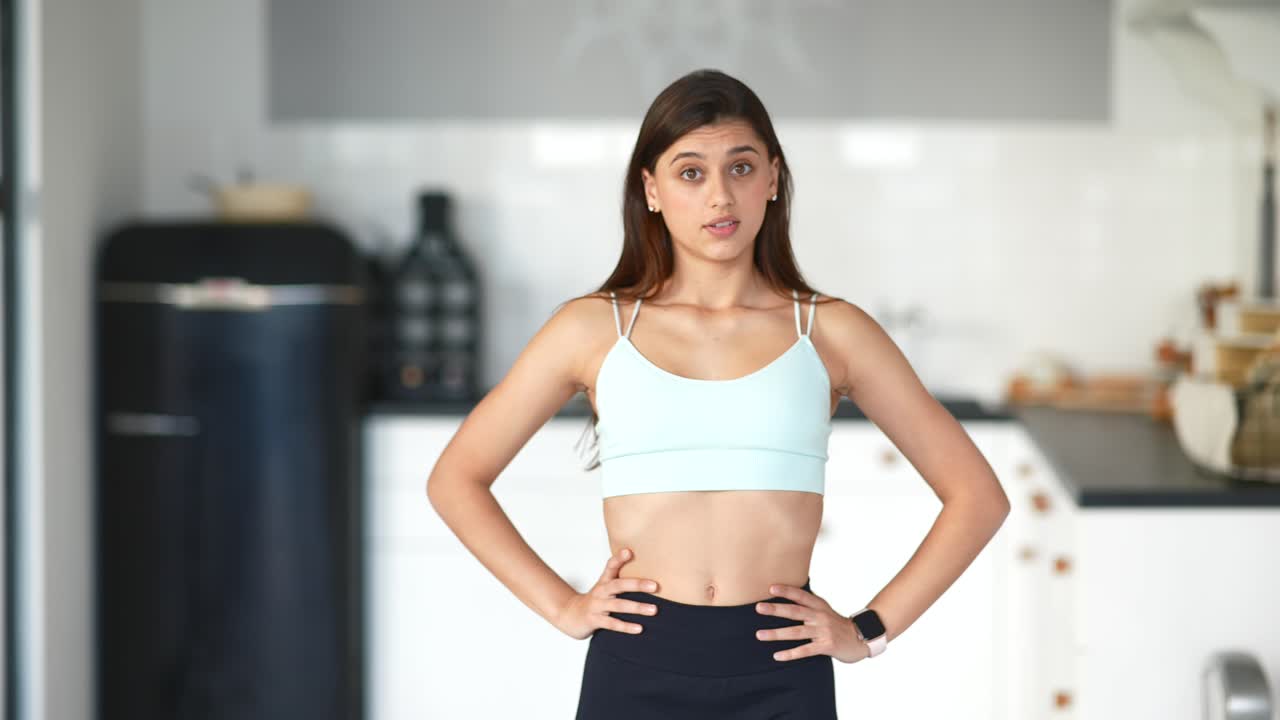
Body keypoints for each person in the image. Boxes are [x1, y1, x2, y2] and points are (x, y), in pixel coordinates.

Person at [426, 68, 1011, 719]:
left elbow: (978, 497)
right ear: (651, 189)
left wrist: (867, 631)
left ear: (773, 179)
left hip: (783, 672)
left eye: (740, 167)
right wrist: (563, 606)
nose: (720, 196)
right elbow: (456, 479)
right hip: (635, 666)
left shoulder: (831, 331)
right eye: (690, 172)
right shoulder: (593, 329)